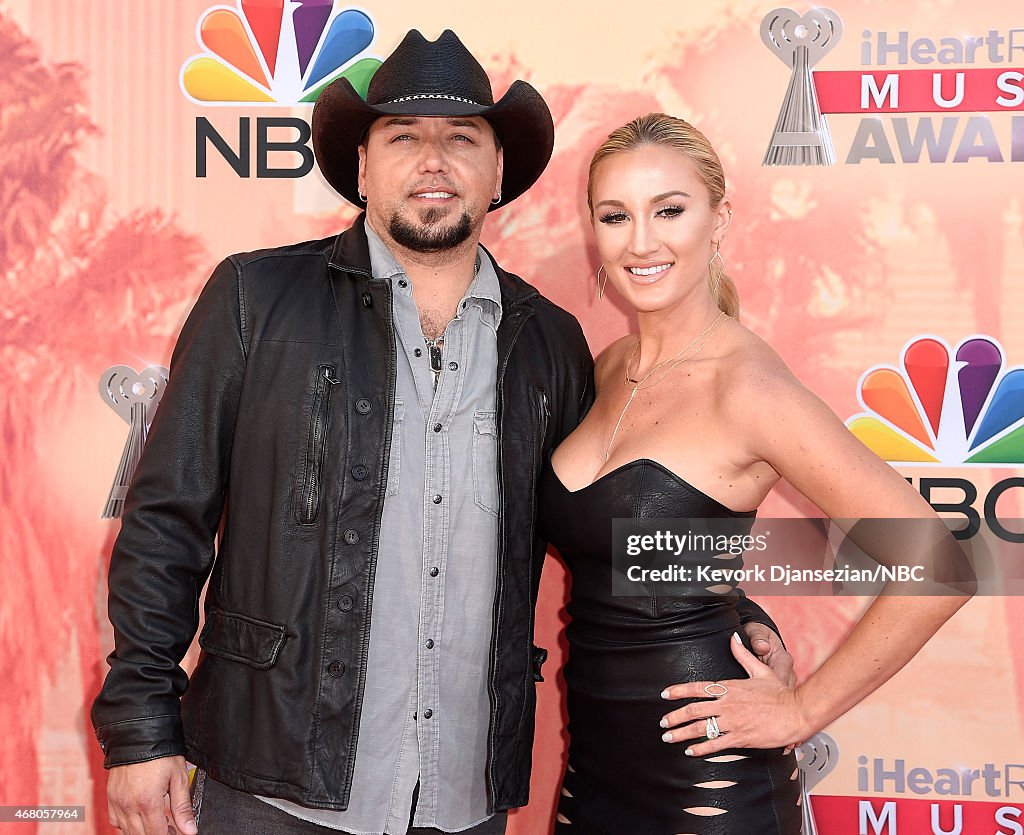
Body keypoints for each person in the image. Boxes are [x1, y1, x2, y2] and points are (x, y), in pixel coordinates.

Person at [91, 33, 790, 835]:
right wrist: (140, 730)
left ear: (497, 172)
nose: (433, 160)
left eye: (461, 139)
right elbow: (164, 523)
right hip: (270, 784)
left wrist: (736, 607)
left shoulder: (551, 342)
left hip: (462, 797)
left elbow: (603, 517)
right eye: (402, 137)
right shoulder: (255, 298)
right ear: (361, 166)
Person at [540, 112, 970, 834]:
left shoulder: (750, 388)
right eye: (616, 216)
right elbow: (650, 537)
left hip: (711, 792)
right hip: (592, 783)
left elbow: (937, 564)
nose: (641, 241)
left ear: (719, 219)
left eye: (669, 210)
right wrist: (743, 607)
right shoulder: (611, 368)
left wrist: (801, 710)